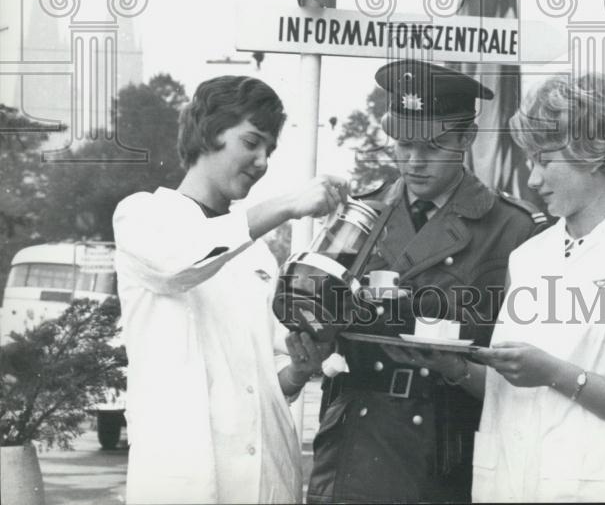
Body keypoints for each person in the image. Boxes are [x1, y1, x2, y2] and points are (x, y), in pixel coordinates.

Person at [306, 59, 547, 505]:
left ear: (466, 139)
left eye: (433, 147)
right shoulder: (362, 216)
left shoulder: (513, 229)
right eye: (403, 144)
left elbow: (529, 367)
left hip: (444, 451)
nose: (414, 162)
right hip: (353, 444)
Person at [113, 75, 348, 505]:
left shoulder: (257, 256)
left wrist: (297, 369)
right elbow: (178, 264)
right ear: (207, 133)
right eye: (252, 142)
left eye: (270, 150)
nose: (262, 161)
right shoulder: (142, 216)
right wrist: (288, 204)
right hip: (185, 481)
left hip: (266, 482)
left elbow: (265, 376)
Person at [467, 73, 605, 503]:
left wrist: (554, 373)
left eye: (544, 161)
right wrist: (455, 367)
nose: (532, 179)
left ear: (595, 155)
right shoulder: (527, 258)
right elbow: (513, 387)